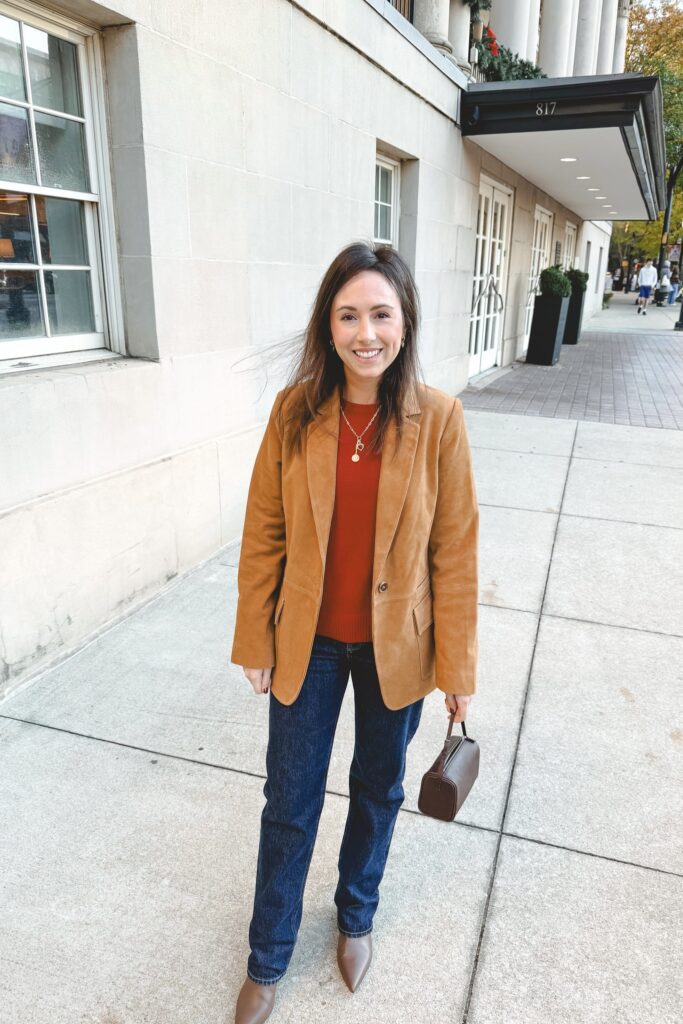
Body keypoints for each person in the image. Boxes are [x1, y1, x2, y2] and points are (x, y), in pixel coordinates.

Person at [229, 241, 479, 1024]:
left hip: (395, 650)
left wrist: (457, 665)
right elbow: (263, 531)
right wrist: (256, 642)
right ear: (327, 325)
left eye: (379, 313)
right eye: (347, 315)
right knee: (289, 802)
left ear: (403, 322)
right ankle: (267, 957)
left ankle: (355, 917)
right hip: (306, 642)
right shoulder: (295, 410)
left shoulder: (437, 418)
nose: (363, 332)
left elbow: (455, 550)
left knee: (378, 791)